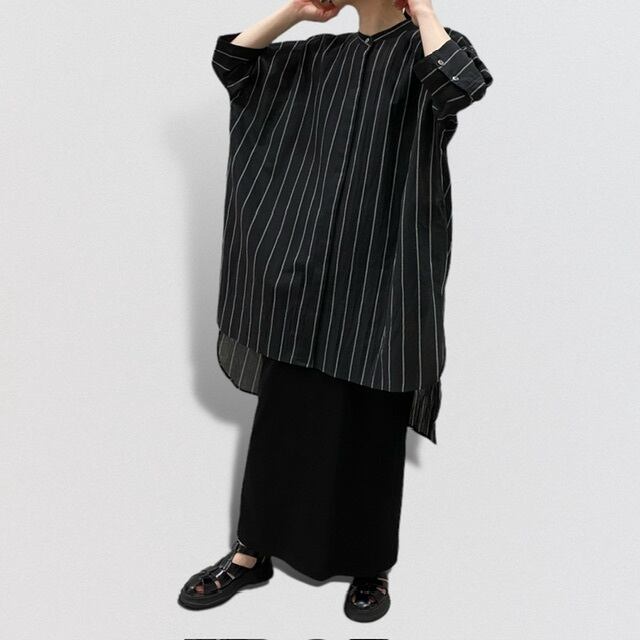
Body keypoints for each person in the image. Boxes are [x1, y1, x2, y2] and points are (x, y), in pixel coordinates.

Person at [178, 0, 493, 622]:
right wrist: (295, 12)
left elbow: (461, 86)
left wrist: (423, 10)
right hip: (307, 270)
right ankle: (250, 553)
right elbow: (233, 63)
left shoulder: (427, 51)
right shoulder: (321, 55)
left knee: (373, 418)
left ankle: (370, 568)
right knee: (285, 415)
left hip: (386, 271)